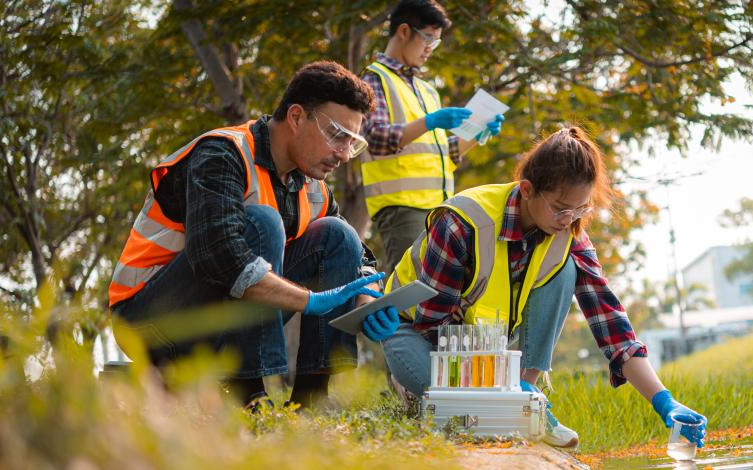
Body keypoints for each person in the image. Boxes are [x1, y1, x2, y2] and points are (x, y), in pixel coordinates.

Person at [381, 128, 707, 448]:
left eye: (581, 209)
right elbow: (433, 326)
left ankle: (525, 396)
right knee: (457, 398)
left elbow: (611, 323)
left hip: (485, 345)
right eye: (561, 208)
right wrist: (503, 386)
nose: (568, 219)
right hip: (415, 333)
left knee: (567, 270)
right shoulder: (463, 221)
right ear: (526, 189)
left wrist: (664, 401)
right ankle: (500, 405)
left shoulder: (569, 237)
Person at [108, 61, 400, 408]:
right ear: (295, 118)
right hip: (151, 324)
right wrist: (309, 300)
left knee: (337, 235)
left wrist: (367, 299)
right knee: (263, 222)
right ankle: (248, 395)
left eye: (351, 144)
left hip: (218, 323)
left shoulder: (312, 186)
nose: (342, 155)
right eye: (337, 136)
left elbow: (361, 256)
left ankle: (312, 401)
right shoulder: (221, 154)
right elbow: (218, 256)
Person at [360, 0, 504, 274]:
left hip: (440, 208)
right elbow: (375, 138)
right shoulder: (375, 79)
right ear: (404, 31)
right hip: (402, 208)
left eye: (435, 42)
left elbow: (445, 154)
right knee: (408, 287)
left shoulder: (427, 91)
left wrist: (479, 131)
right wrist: (429, 121)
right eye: (428, 39)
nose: (430, 49)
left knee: (440, 287)